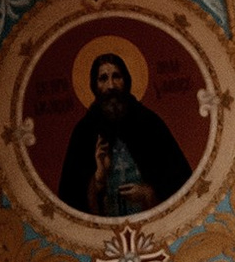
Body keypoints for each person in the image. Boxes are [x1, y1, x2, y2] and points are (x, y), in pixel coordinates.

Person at [56, 50, 194, 218]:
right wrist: (98, 180)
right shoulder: (84, 131)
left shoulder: (149, 123)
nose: (111, 86)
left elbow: (182, 184)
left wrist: (148, 193)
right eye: (103, 78)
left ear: (126, 80)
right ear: (94, 84)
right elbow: (69, 200)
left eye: (116, 76)